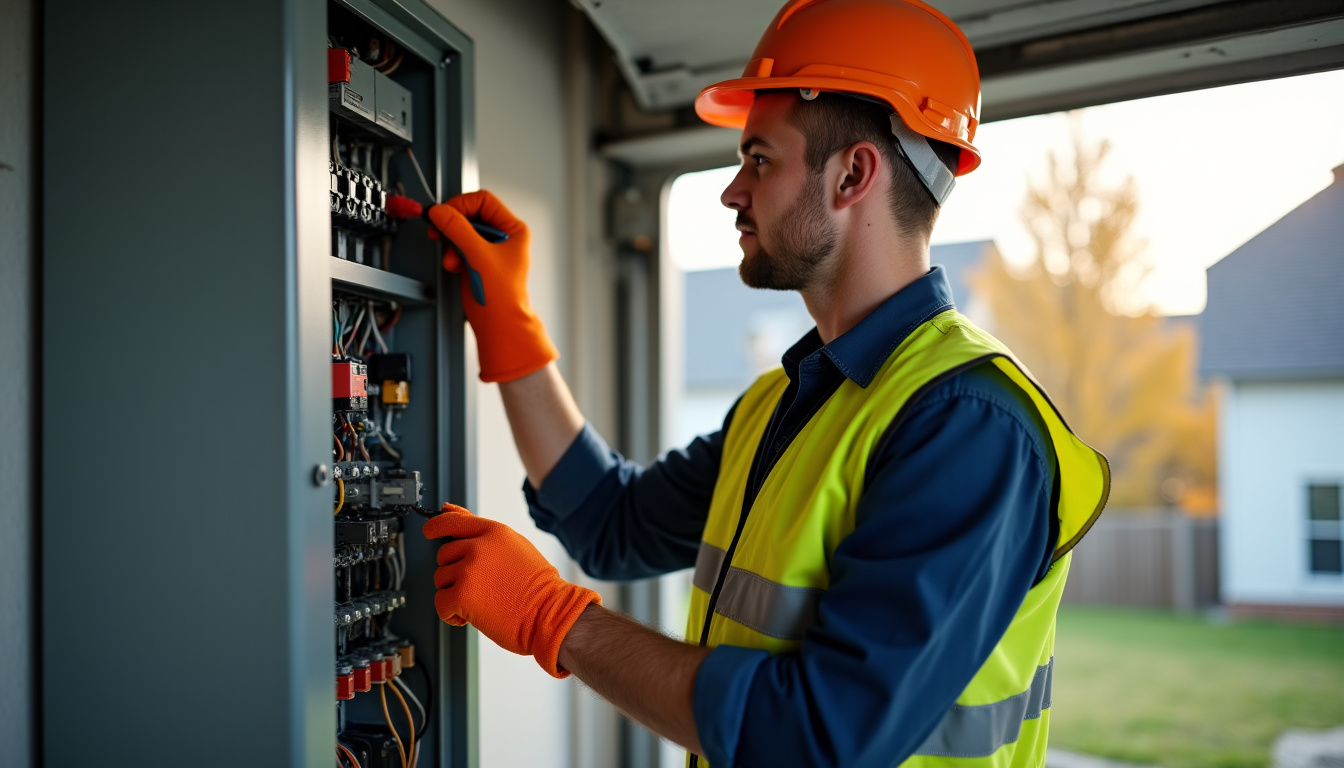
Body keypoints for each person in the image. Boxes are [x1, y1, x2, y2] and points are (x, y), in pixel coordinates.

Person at [420, 0, 1110, 765]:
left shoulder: (969, 426)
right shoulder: (787, 401)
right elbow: (611, 522)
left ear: (853, 174)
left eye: (759, 159)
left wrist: (555, 619)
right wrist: (510, 331)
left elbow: (814, 735)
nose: (732, 193)